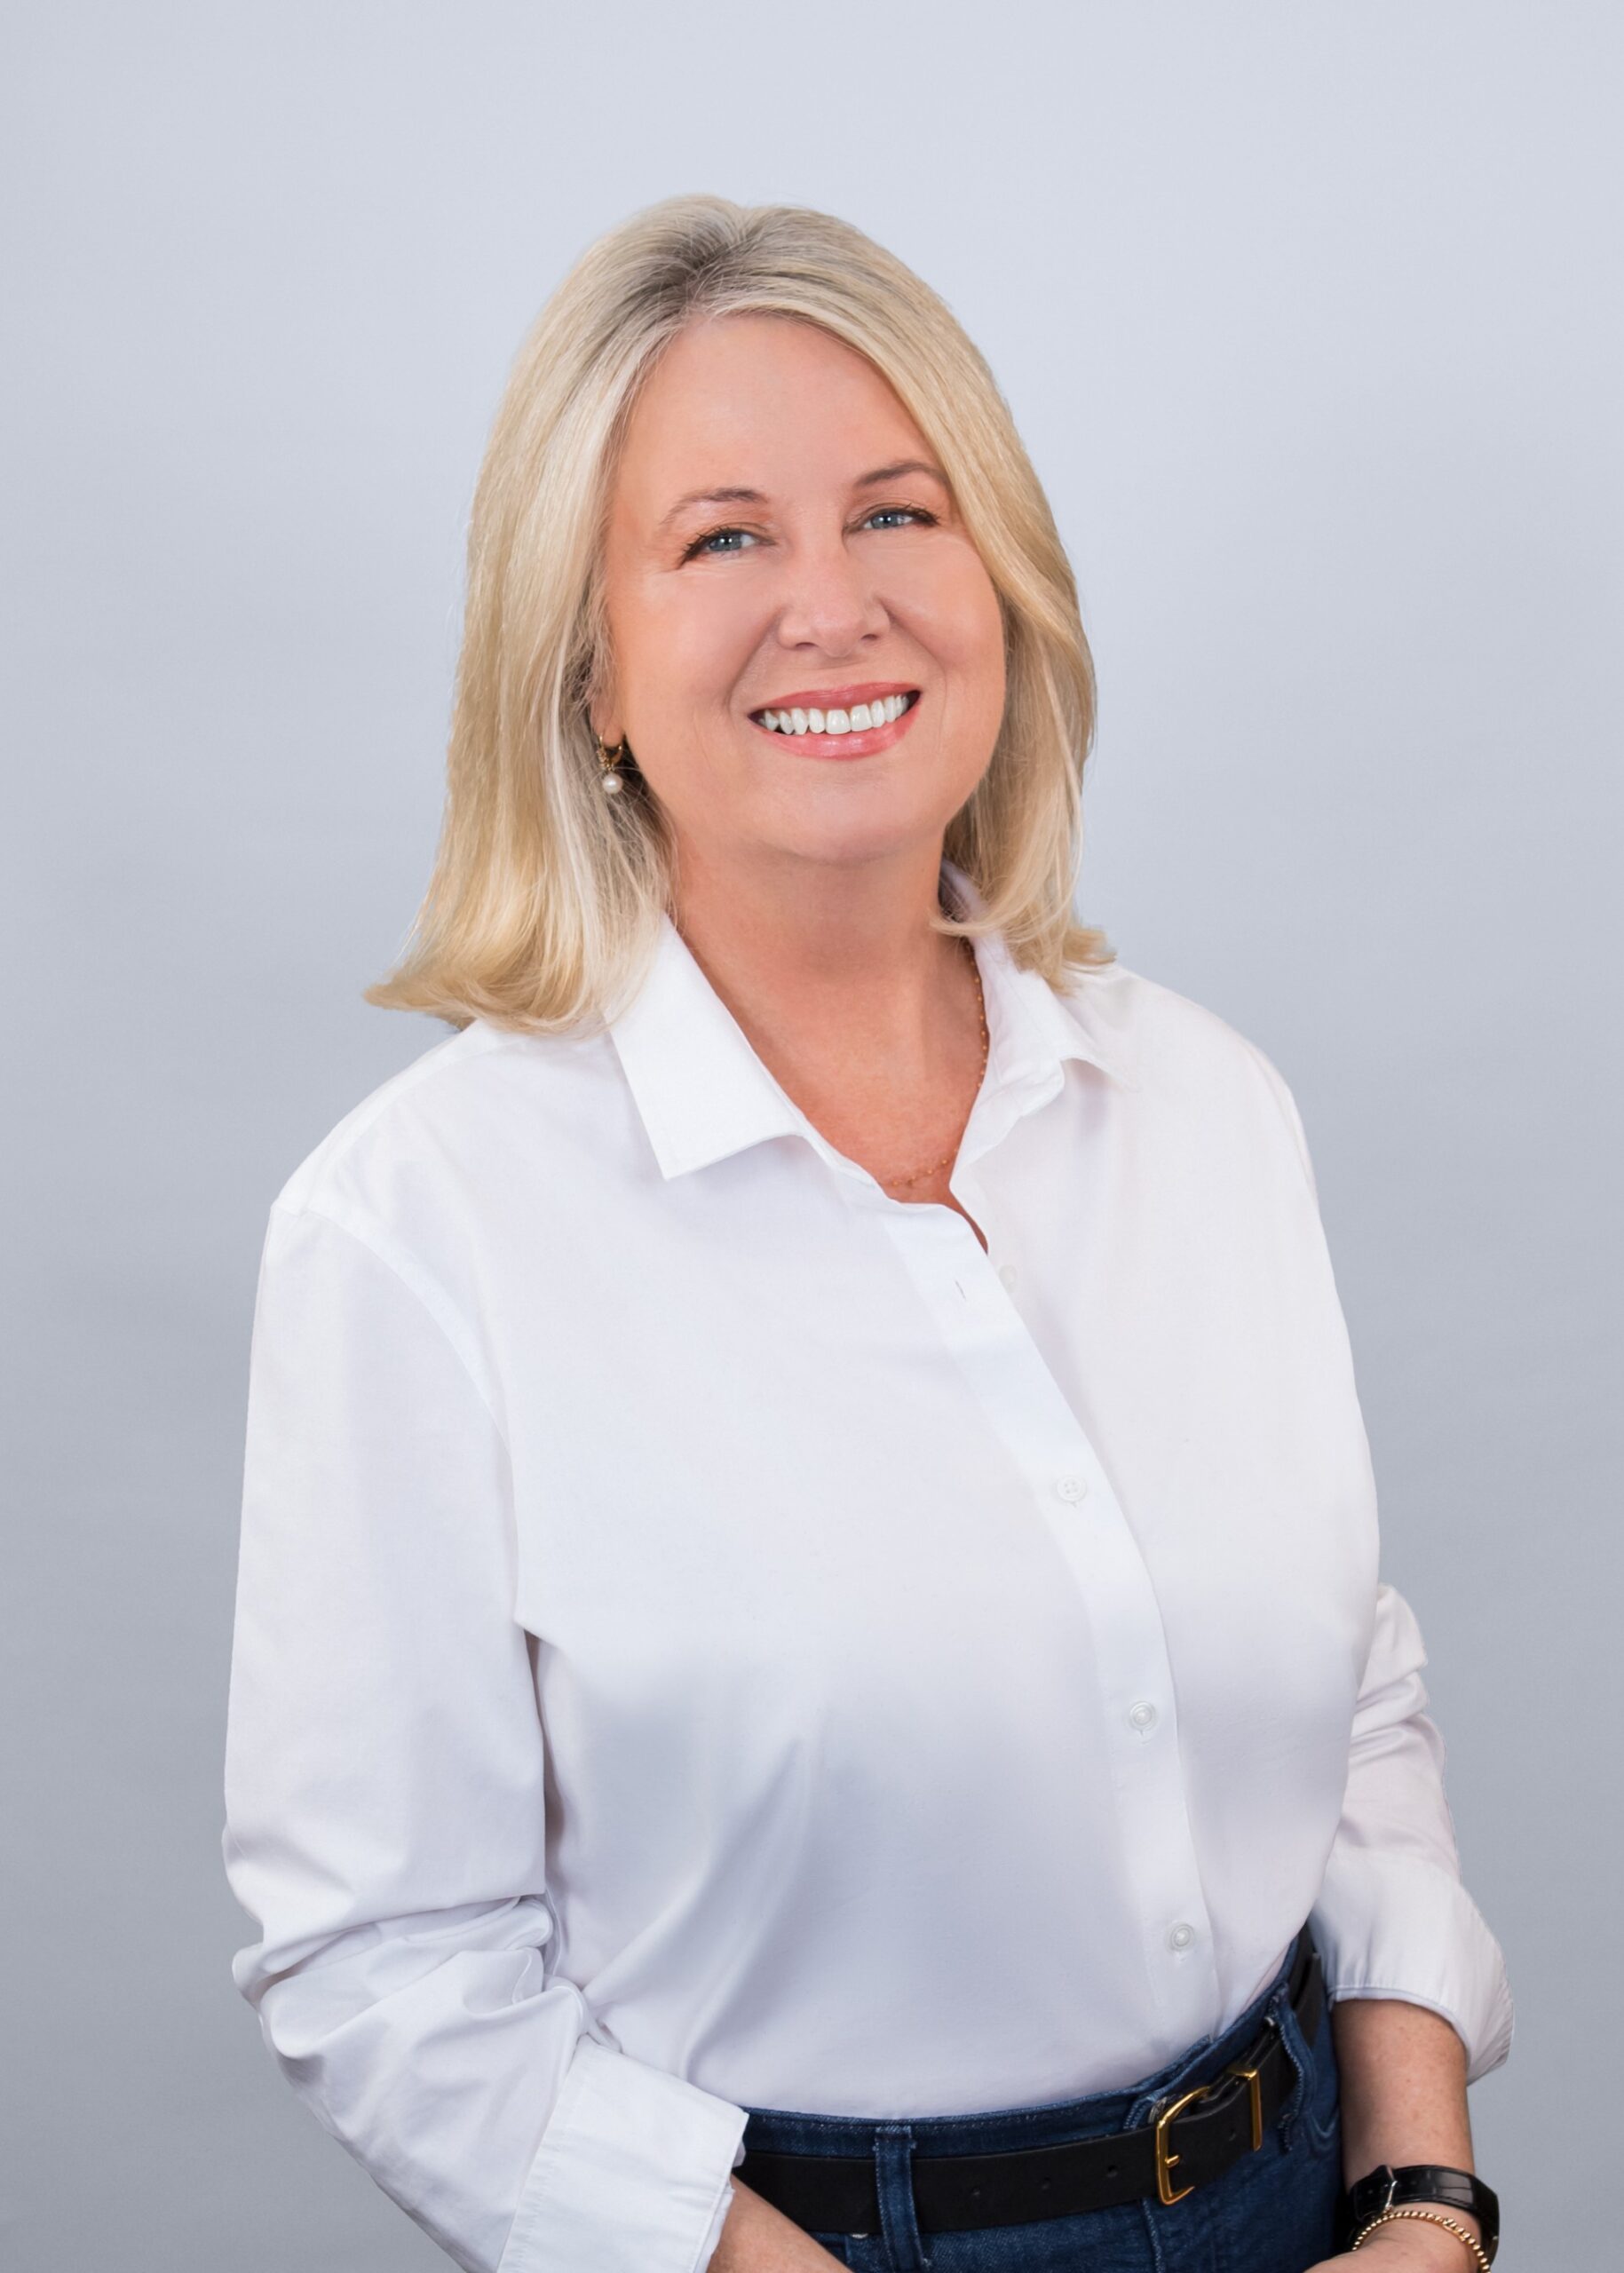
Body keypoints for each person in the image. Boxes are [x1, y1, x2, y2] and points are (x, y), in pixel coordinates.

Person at [220, 195, 1512, 2273]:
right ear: (588, 666)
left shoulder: (1209, 1110)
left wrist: (1427, 2192)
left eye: (899, 512)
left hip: (1314, 2206)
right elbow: (381, 1968)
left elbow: (1347, 1697)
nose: (835, 607)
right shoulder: (415, 1230)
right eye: (723, 538)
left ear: (999, 580)